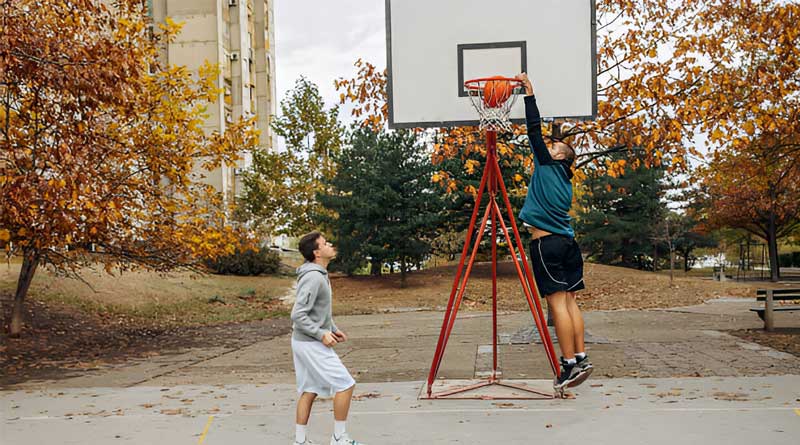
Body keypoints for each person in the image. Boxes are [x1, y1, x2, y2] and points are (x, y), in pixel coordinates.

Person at [515, 73, 594, 391]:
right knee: (572, 301)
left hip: (546, 244)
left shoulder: (547, 165)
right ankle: (582, 356)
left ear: (560, 156)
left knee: (558, 304)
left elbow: (533, 130)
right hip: (568, 243)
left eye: (555, 146)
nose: (550, 146)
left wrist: (529, 95)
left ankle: (569, 365)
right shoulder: (565, 180)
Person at [290, 231, 366, 445]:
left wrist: (331, 328)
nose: (330, 245)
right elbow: (298, 314)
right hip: (309, 343)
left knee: (310, 390)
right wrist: (321, 333)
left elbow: (318, 311)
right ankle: (339, 438)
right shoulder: (314, 277)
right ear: (317, 252)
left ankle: (300, 441)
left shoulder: (319, 273)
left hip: (304, 341)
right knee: (345, 384)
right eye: (325, 243)